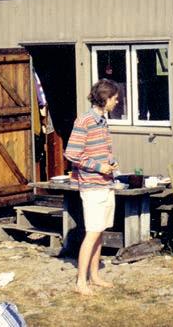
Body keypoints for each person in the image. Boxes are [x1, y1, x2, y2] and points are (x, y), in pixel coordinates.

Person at [65, 79, 120, 295]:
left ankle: (95, 276)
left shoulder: (103, 121)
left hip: (106, 183)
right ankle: (81, 282)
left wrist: (110, 162)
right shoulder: (85, 120)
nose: (117, 102)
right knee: (92, 232)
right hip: (92, 186)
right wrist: (99, 167)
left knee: (100, 232)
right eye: (115, 99)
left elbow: (100, 150)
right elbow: (72, 154)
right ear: (105, 99)